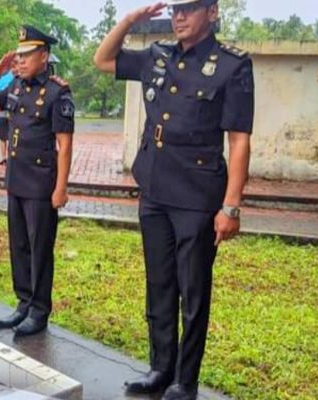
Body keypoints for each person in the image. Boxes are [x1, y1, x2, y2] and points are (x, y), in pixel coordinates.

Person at [93, 1, 255, 399]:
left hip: (199, 197)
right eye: (175, 9)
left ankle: (186, 380)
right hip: (155, 189)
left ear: (212, 13)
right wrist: (131, 20)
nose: (179, 16)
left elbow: (239, 141)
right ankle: (160, 368)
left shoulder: (233, 65)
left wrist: (230, 206)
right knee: (160, 283)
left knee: (193, 290)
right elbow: (102, 60)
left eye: (190, 9)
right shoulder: (157, 54)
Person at [0, 25, 75, 336]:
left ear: (43, 56)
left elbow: (66, 144)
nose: (20, 60)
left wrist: (61, 188)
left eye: (26, 55)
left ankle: (39, 310)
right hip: (16, 180)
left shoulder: (59, 92)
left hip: (41, 184)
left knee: (39, 247)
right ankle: (23, 303)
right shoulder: (17, 86)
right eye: (18, 55)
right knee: (18, 244)